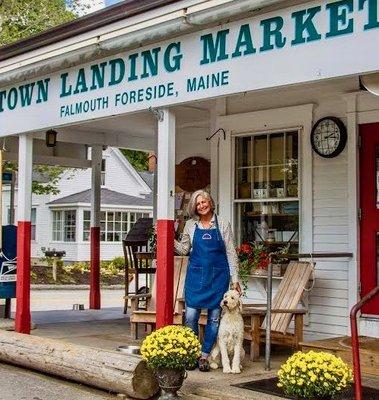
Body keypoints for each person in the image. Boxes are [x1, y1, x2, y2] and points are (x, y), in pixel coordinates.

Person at [174, 190, 241, 372]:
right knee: (190, 317)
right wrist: (166, 237)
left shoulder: (223, 223)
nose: (202, 205)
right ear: (194, 207)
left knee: (213, 320)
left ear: (210, 202)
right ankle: (193, 352)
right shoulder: (190, 225)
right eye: (198, 203)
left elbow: (230, 252)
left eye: (204, 202)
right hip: (196, 277)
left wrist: (235, 279)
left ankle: (204, 356)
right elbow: (183, 250)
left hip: (218, 277)